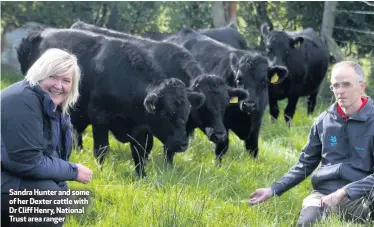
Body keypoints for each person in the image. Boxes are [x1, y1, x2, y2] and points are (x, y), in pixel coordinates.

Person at [249, 61, 374, 226]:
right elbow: (305, 164)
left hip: (362, 196)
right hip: (323, 196)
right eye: (335, 86)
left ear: (361, 86)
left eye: (346, 85)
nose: (340, 91)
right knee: (306, 223)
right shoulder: (323, 121)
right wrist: (273, 189)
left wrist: (346, 192)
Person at [1, 48, 93, 226]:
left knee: (57, 192)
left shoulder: (52, 106)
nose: (58, 85)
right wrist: (73, 170)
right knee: (48, 199)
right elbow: (27, 162)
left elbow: (51, 155)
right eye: (53, 77)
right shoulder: (23, 101)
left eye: (66, 80)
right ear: (40, 74)